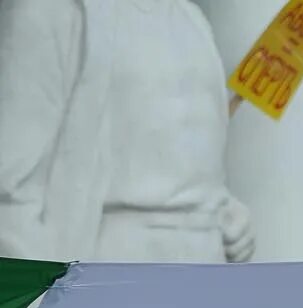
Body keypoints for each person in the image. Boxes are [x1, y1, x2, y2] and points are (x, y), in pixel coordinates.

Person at [0, 0, 255, 263]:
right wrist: (39, 294)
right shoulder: (52, 11)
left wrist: (224, 211)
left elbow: (186, 162)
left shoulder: (192, 18)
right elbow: (10, 192)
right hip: (109, 269)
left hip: (203, 268)